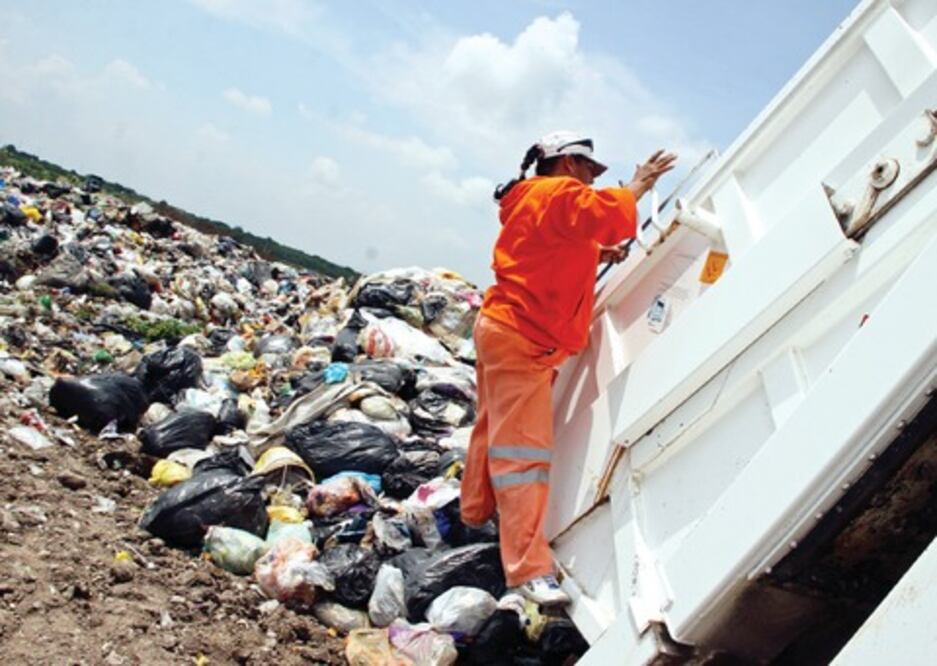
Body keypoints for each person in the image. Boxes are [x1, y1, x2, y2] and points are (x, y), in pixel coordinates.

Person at [460, 130, 676, 605]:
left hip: (502, 329)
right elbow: (609, 217)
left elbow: (552, 250)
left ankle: (473, 511)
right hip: (524, 341)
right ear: (567, 164)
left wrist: (598, 253)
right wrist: (637, 185)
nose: (591, 181)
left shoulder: (533, 200)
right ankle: (526, 570)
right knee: (523, 458)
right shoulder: (558, 193)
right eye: (588, 170)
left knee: (491, 425)